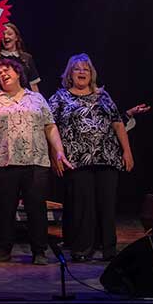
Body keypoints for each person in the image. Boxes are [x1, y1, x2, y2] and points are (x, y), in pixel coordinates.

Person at [0, 57, 71, 265]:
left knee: (36, 208)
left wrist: (59, 151)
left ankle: (39, 251)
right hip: (3, 162)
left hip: (35, 161)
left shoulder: (36, 98)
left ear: (18, 72)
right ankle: (4, 248)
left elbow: (50, 126)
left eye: (6, 70)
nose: (2, 74)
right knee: (5, 209)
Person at [48, 53, 133, 262]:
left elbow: (117, 123)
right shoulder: (60, 97)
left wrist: (127, 151)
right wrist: (54, 155)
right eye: (77, 69)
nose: (82, 72)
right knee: (82, 206)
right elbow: (49, 127)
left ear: (91, 73)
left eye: (86, 69)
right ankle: (82, 249)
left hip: (107, 157)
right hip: (77, 160)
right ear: (70, 74)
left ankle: (109, 249)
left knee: (106, 205)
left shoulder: (103, 95)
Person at [0, 22, 41, 90]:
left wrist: (36, 97)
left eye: (9, 34)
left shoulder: (27, 58)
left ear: (16, 38)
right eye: (2, 34)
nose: (5, 36)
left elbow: (33, 85)